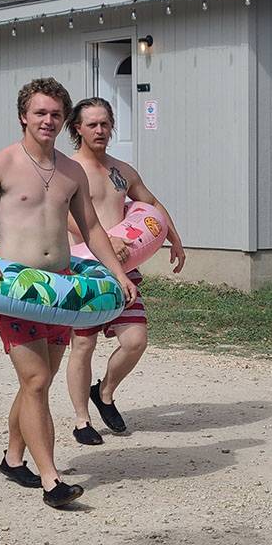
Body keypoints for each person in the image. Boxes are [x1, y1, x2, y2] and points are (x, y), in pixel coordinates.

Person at [0, 79, 137, 508]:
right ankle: (52, 481)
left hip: (57, 291)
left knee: (38, 381)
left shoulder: (70, 171)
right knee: (37, 380)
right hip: (13, 288)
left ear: (63, 120)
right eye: (40, 113)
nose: (48, 121)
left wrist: (119, 274)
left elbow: (93, 230)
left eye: (55, 114)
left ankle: (13, 458)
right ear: (24, 115)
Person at [64, 97, 185, 445]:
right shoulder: (68, 170)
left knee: (135, 340)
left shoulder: (122, 171)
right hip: (84, 267)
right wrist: (98, 239)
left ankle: (103, 392)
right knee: (82, 346)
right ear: (78, 128)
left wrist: (174, 238)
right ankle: (82, 421)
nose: (100, 130)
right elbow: (60, 211)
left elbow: (152, 204)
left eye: (105, 123)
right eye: (92, 124)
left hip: (123, 268)